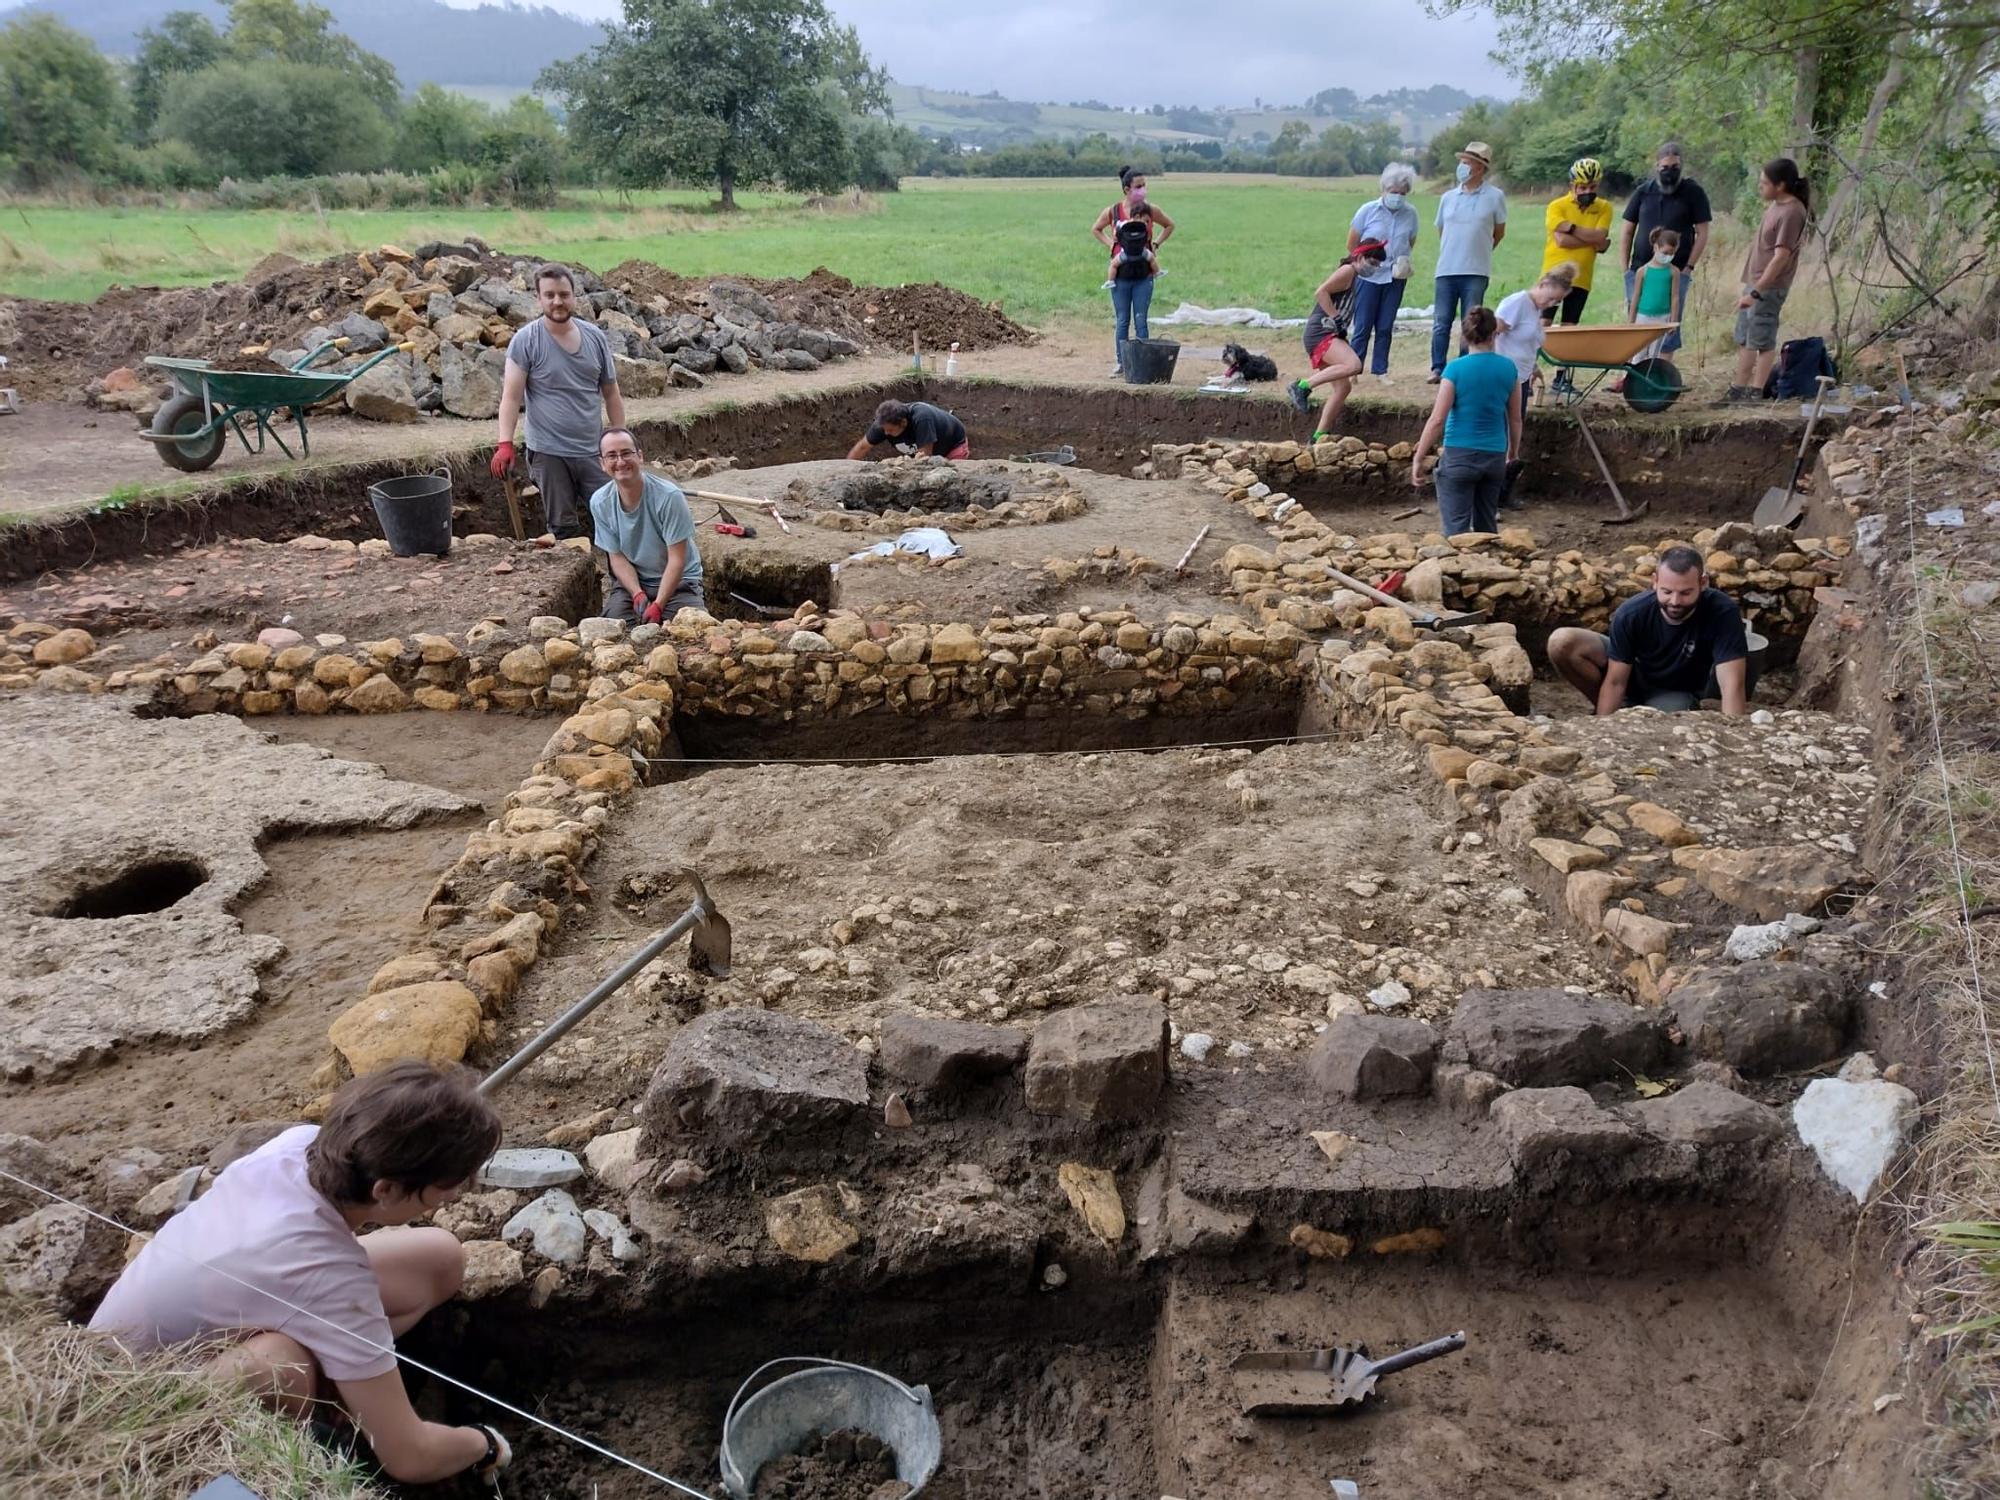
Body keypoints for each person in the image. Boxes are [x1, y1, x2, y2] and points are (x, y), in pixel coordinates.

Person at [90, 1063, 512, 1485]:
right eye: (446, 1185)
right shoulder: (326, 1274)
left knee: (437, 1258)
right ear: (385, 1190)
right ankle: (303, 1455)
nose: (453, 1195)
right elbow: (411, 1458)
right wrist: (484, 1444)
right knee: (278, 1365)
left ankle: (349, 1391)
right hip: (138, 1412)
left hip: (204, 1334)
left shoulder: (300, 1144)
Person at [491, 263, 625, 540]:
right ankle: (580, 579)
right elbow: (511, 397)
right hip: (549, 452)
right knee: (563, 527)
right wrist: (505, 443)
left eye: (563, 294)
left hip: (592, 450)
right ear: (538, 298)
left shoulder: (595, 338)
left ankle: (621, 579)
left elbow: (611, 393)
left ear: (574, 296)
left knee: (614, 519)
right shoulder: (526, 341)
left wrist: (619, 438)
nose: (557, 301)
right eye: (549, 295)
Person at [1548, 546, 1753, 715]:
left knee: (1664, 723)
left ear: (1703, 583)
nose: (1675, 601)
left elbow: (1732, 684)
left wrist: (1735, 734)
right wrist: (1605, 728)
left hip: (1676, 690)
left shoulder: (1722, 612)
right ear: (1655, 582)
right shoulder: (1631, 613)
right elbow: (1616, 681)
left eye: (1685, 593)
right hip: (1632, 677)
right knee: (1562, 641)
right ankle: (1618, 711)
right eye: (1666, 591)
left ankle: (1638, 714)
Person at [1409, 306, 1521, 538]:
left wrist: (1419, 456)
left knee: (1457, 532)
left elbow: (1437, 419)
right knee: (1487, 527)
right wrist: (1513, 452)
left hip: (1459, 458)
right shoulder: (1509, 368)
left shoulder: (1454, 369)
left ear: (1465, 336)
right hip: (1494, 458)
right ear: (1494, 335)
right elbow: (1515, 418)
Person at [590, 427, 705, 623]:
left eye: (626, 453)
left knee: (688, 631)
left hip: (680, 582)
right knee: (615, 629)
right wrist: (637, 593)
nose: (620, 461)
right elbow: (616, 557)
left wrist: (659, 604)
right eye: (612, 456)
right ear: (602, 463)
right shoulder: (600, 502)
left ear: (640, 456)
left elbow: (677, 560)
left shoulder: (669, 497)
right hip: (634, 582)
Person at [1619, 143, 1712, 361]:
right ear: (1657, 166)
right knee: (1637, 321)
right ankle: (1634, 375)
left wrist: (1688, 267)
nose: (1670, 171)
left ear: (1681, 166)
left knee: (1669, 322)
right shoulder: (1643, 192)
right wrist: (1626, 269)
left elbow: (1703, 232)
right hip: (1641, 269)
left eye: (1675, 166)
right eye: (1665, 167)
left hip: (1675, 271)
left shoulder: (1693, 192)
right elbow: (1626, 232)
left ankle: (1661, 375)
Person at [1728, 158, 1811, 402]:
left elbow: (1781, 257)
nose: (1760, 187)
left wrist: (1757, 292)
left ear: (1781, 185)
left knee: (1762, 340)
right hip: (1754, 283)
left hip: (1768, 287)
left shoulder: (1792, 212)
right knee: (1745, 337)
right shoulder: (1775, 206)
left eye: (1765, 183)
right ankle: (1738, 389)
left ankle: (1755, 392)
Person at [1286, 242, 1386, 440]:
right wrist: (1336, 318)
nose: (1373, 268)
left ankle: (1318, 436)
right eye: (1372, 262)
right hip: (1320, 332)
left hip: (1328, 332)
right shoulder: (1348, 271)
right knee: (1354, 364)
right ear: (1359, 257)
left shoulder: (1354, 276)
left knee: (1343, 388)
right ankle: (1302, 386)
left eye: (1377, 265)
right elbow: (1321, 292)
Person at [1428, 140, 1508, 384]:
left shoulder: (1495, 197)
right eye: (1461, 163)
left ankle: (1464, 365)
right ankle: (1437, 368)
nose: (1462, 167)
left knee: (1470, 321)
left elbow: (1499, 232)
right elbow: (1441, 229)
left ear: (1480, 168)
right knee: (1441, 322)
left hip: (1476, 270)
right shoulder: (1448, 197)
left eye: (1467, 163)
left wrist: (1481, 249)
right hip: (1446, 269)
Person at [1092, 166, 1174, 378]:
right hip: (1120, 275)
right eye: (1138, 186)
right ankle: (1121, 362)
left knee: (1141, 320)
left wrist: (1155, 243)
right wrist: (1111, 245)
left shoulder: (1150, 210)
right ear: (1127, 189)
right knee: (1122, 320)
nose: (1143, 190)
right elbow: (1096, 229)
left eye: (1144, 186)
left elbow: (1169, 225)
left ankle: (1142, 361)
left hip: (1144, 274)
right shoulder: (1113, 211)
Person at [1347, 163, 1421, 384]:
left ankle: (1381, 370)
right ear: (1384, 190)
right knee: (1362, 324)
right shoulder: (1367, 210)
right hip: (1368, 276)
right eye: (1393, 192)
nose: (1397, 196)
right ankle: (1353, 369)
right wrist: (1362, 264)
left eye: (1402, 193)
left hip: (1395, 277)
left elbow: (1410, 242)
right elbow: (1352, 242)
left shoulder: (1411, 214)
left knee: (1385, 325)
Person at [1494, 263, 1579, 415]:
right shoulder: (1517, 303)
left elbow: (1527, 343)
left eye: (1558, 301)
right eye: (1551, 298)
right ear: (1543, 284)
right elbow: (1490, 334)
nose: (1552, 304)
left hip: (1522, 378)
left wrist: (1533, 367)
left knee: (1516, 423)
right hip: (1504, 378)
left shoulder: (1536, 309)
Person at [1541, 159, 1613, 328]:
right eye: (1582, 187)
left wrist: (1570, 228)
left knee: (1570, 327)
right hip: (1554, 273)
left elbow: (1601, 236)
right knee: (1543, 323)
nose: (1588, 191)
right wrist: (1592, 239)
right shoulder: (1556, 206)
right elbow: (1561, 240)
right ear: (1572, 186)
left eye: (1593, 187)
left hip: (1582, 277)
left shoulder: (1604, 207)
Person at [1628, 227, 1685, 363]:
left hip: (1662, 318)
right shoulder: (1643, 271)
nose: (1668, 256)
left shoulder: (1674, 272)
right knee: (1639, 352)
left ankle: (1651, 379)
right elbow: (1636, 296)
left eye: (1672, 253)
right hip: (1643, 317)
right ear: (1656, 247)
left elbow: (1675, 297)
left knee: (1654, 354)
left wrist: (1673, 321)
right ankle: (1633, 380)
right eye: (1665, 252)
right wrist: (1631, 320)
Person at [847, 398, 969, 461]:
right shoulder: (883, 422)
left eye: (890, 430)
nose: (886, 433)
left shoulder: (922, 418)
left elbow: (924, 457)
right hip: (923, 448)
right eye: (884, 429)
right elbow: (862, 447)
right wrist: (847, 468)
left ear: (903, 423)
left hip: (952, 445)